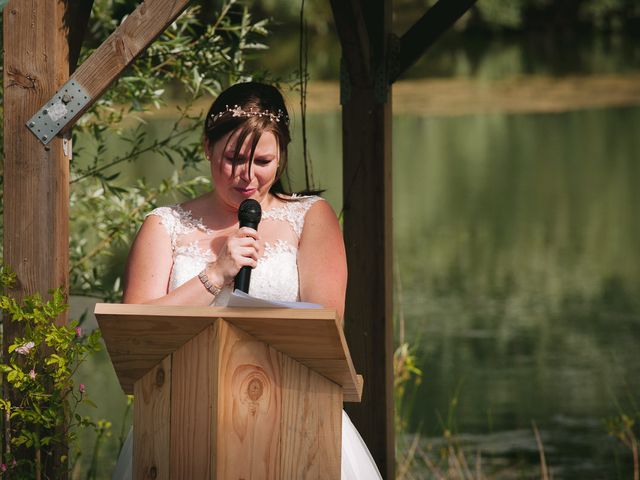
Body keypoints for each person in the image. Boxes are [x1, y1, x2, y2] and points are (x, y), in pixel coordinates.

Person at [113, 82, 382, 479]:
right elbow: (133, 329)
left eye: (263, 161)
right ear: (207, 147)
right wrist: (214, 274)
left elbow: (327, 322)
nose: (247, 176)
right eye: (234, 158)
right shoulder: (164, 225)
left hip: (292, 413)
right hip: (182, 416)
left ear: (281, 156)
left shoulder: (310, 217)